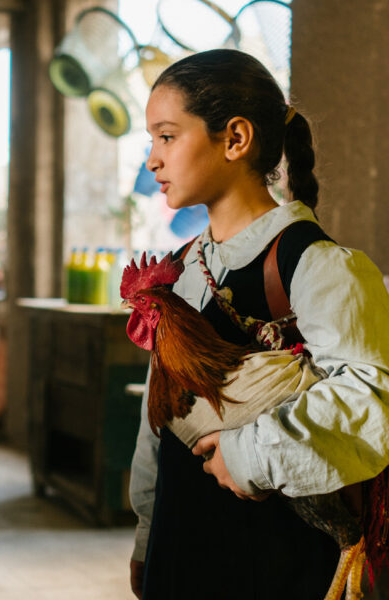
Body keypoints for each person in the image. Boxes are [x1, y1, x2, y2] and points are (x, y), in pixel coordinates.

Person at [128, 49, 389, 599]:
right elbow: (157, 425)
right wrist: (148, 531)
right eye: (152, 139)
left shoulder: (317, 266)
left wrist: (247, 454)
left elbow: (372, 401)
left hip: (277, 559)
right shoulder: (180, 271)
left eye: (168, 136)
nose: (152, 159)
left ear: (235, 138)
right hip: (184, 545)